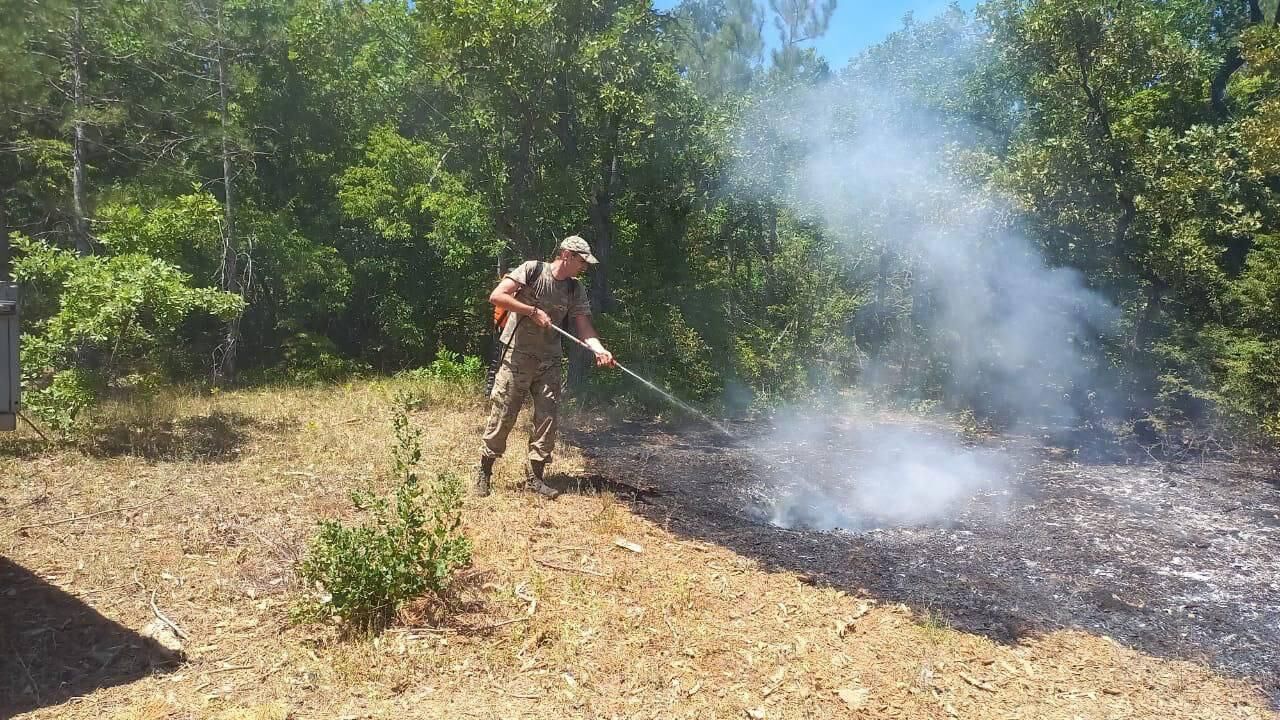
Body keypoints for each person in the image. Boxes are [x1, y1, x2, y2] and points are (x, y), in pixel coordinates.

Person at [474, 235, 615, 499]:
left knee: (547, 418)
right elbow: (497, 296)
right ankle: (484, 471)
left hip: (549, 360)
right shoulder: (531, 270)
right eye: (581, 261)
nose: (583, 267)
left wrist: (599, 349)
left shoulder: (575, 289)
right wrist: (530, 311)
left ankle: (535, 478)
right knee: (504, 413)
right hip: (517, 356)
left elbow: (583, 326)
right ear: (566, 255)